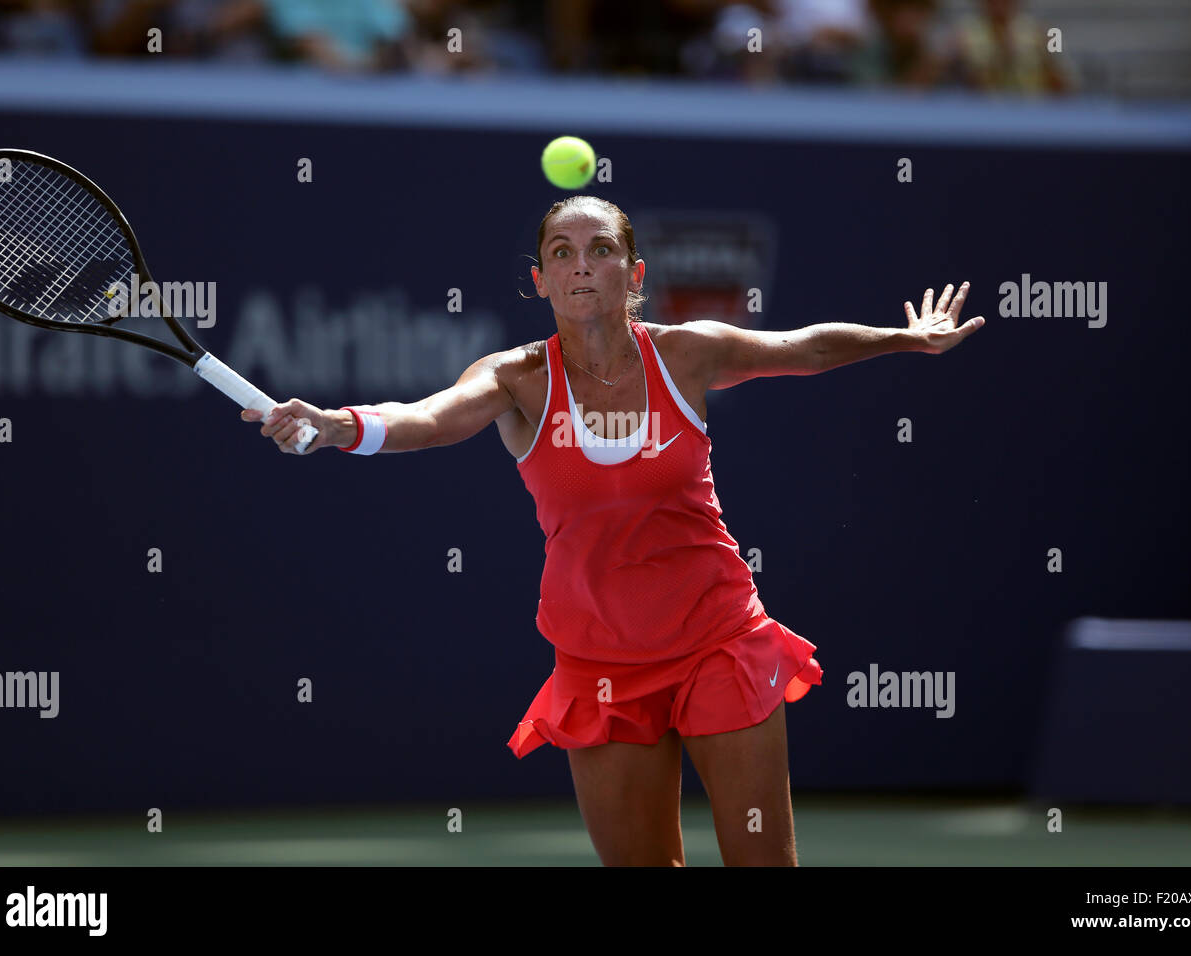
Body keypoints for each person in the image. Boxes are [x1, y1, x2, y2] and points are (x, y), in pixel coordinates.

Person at [243, 195, 984, 866]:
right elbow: (429, 419)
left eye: (598, 249)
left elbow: (805, 348)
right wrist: (340, 425)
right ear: (539, 281)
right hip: (600, 664)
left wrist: (905, 338)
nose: (580, 266)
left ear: (634, 273)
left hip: (718, 638)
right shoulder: (514, 378)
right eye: (560, 254)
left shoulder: (687, 352)